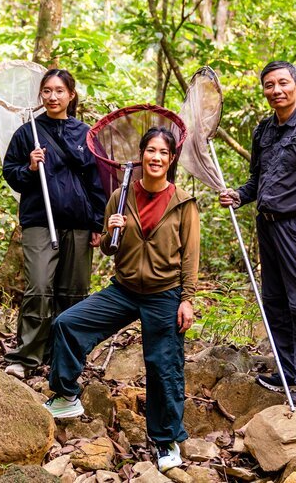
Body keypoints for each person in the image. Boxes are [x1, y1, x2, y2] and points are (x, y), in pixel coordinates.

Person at [43, 127, 200, 473]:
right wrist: (111, 230)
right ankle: (67, 395)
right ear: (141, 155)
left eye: (163, 152)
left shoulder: (183, 202)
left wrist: (187, 299)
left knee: (163, 367)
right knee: (68, 323)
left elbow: (190, 256)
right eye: (150, 151)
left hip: (164, 295)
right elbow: (110, 248)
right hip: (124, 289)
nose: (155, 157)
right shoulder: (121, 193)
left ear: (170, 159)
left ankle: (166, 440)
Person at [219, 60, 296, 407]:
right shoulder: (263, 131)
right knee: (275, 303)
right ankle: (288, 371)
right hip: (267, 227)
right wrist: (240, 195)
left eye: (283, 83)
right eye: (269, 85)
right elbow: (259, 180)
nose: (276, 91)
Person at [2, 68, 107, 379]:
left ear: (70, 95)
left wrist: (98, 224)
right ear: (40, 95)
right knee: (39, 287)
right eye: (46, 91)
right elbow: (12, 175)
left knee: (73, 292)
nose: (52, 96)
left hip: (79, 222)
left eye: (59, 90)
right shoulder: (28, 133)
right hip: (39, 221)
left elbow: (97, 181)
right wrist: (30, 167)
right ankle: (27, 356)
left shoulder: (86, 135)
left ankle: (63, 357)